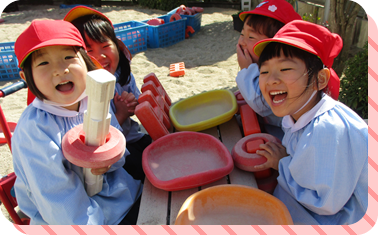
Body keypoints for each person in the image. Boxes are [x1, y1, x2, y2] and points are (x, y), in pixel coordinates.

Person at [12, 20, 142, 225]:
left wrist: (107, 162)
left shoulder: (95, 98)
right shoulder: (35, 130)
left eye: (68, 57)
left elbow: (116, 145)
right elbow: (57, 200)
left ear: (85, 61)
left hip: (117, 194)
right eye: (44, 63)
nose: (60, 70)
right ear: (26, 78)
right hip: (74, 217)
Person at [252, 20, 368, 225]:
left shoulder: (327, 129)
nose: (271, 80)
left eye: (285, 68)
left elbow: (326, 203)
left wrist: (282, 164)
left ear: (320, 80)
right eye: (264, 71)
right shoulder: (297, 115)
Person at [64, 6, 152, 182]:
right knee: (144, 173)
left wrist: (133, 104)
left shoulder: (121, 74)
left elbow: (136, 108)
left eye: (105, 46)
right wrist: (121, 114)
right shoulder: (83, 94)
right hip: (112, 156)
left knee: (156, 149)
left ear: (116, 45)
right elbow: (97, 142)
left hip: (132, 137)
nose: (101, 56)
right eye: (89, 51)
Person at [235, 0, 302, 133]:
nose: (242, 41)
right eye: (242, 34)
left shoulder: (286, 75)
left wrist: (246, 70)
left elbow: (260, 104)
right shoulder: (260, 67)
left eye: (251, 36)